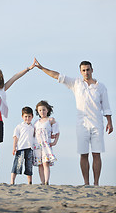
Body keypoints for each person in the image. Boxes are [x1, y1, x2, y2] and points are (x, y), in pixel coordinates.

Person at [34, 58, 113, 186]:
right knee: (83, 154)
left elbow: (106, 106)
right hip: (81, 124)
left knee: (97, 154)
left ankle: (96, 183)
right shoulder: (76, 83)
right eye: (83, 70)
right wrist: (42, 68)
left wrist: (109, 122)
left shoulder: (101, 87)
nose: (86, 72)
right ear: (80, 72)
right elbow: (57, 76)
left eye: (88, 70)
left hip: (97, 124)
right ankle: (86, 183)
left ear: (92, 70)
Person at [33, 100, 60, 185]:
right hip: (37, 145)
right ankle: (42, 181)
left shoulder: (50, 120)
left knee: (46, 163)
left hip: (46, 145)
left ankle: (46, 181)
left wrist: (55, 141)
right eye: (40, 110)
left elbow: (57, 132)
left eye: (44, 109)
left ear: (47, 110)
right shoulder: (36, 122)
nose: (42, 112)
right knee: (40, 164)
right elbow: (33, 134)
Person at [11, 107, 34, 185]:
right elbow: (15, 137)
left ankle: (30, 182)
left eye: (29, 116)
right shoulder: (19, 126)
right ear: (22, 117)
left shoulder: (33, 127)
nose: (27, 118)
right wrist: (14, 147)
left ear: (32, 116)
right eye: (25, 116)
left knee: (29, 166)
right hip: (21, 148)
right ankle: (12, 181)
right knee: (17, 164)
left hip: (30, 148)